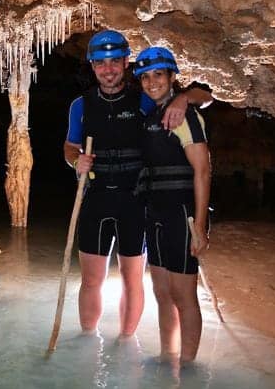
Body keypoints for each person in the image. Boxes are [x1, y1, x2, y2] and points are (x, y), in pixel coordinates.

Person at [64, 31, 210, 338]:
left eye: (115, 61)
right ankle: (86, 344)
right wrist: (76, 161)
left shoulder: (144, 99)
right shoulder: (81, 105)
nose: (108, 69)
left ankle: (126, 343)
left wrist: (184, 98)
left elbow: (205, 96)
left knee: (133, 279)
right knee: (91, 279)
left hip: (136, 201)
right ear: (92, 66)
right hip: (96, 198)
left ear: (126, 63)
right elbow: (69, 147)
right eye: (100, 63)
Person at [133, 46, 211, 363]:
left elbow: (203, 171)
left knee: (183, 295)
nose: (152, 82)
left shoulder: (185, 115)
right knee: (162, 293)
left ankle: (189, 366)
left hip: (182, 215)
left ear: (171, 77)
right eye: (146, 77)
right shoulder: (151, 115)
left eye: (159, 75)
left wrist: (201, 227)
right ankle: (168, 356)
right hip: (155, 214)